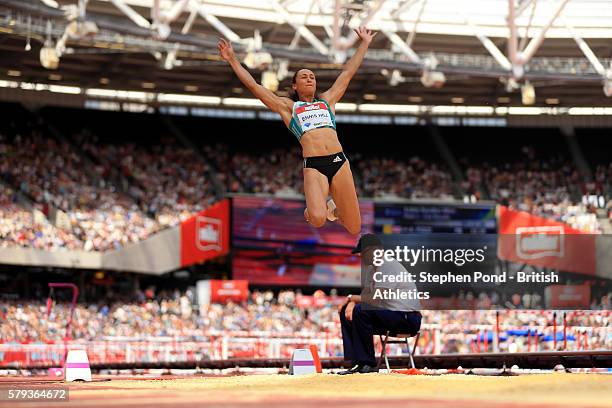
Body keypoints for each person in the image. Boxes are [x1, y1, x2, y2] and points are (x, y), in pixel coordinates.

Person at [218, 27, 377, 235]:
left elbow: (348, 73)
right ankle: (315, 209)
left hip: (339, 161)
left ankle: (332, 209)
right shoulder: (288, 107)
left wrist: (364, 43)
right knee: (317, 220)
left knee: (355, 228)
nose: (310, 78)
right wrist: (232, 60)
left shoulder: (327, 101)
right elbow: (255, 87)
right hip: (314, 165)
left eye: (312, 76)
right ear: (294, 85)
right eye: (304, 76)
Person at [337, 234, 422, 374]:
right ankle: (357, 362)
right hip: (391, 314)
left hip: (408, 318)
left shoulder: (388, 265)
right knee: (348, 311)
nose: (360, 257)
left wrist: (351, 298)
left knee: (361, 310)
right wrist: (351, 302)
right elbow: (366, 297)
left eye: (362, 253)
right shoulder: (372, 268)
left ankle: (367, 364)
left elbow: (375, 299)